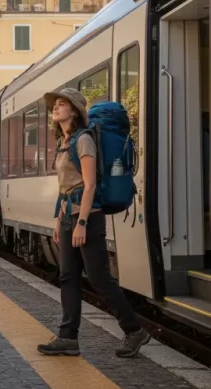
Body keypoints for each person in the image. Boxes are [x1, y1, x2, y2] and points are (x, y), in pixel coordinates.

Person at [37, 88, 151, 358]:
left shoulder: (83, 140)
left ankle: (134, 330)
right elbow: (65, 187)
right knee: (68, 277)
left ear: (74, 111)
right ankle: (68, 338)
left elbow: (89, 186)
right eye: (55, 105)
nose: (56, 108)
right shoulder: (64, 142)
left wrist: (83, 222)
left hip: (87, 216)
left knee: (99, 278)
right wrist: (59, 220)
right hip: (67, 215)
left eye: (62, 104)